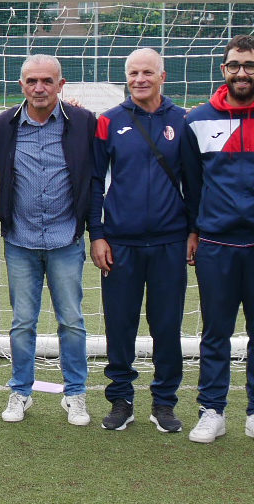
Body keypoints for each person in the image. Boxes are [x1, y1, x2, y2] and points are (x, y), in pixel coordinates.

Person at [90, 48, 190, 433]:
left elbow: (194, 184)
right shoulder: (109, 121)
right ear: (126, 77)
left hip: (169, 242)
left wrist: (193, 231)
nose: (140, 79)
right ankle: (121, 399)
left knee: (166, 325)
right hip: (120, 243)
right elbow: (95, 181)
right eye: (133, 73)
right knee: (120, 324)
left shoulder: (184, 120)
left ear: (163, 76)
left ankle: (164, 402)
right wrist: (97, 234)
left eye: (148, 72)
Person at [0, 54, 96, 426]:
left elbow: (97, 177)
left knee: (71, 320)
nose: (39, 88)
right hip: (20, 239)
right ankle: (20, 391)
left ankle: (76, 394)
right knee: (23, 322)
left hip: (66, 238)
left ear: (61, 84)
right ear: (21, 85)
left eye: (47, 81)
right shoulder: (3, 123)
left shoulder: (83, 121)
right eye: (32, 81)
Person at [181, 34, 254, 444]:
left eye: (249, 65)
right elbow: (192, 185)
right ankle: (213, 410)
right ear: (223, 70)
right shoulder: (197, 120)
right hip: (217, 245)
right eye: (235, 65)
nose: (242, 72)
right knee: (215, 332)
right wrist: (194, 230)